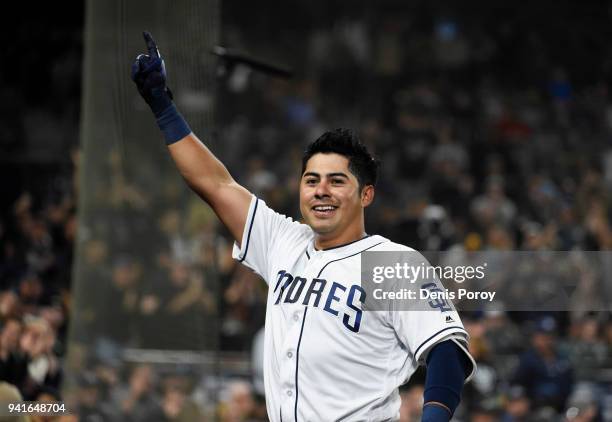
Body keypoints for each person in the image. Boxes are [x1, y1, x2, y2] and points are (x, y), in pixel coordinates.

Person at [131, 31, 475, 422]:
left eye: (337, 181)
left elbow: (447, 351)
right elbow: (214, 183)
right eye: (311, 180)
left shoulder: (392, 263)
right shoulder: (282, 240)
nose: (321, 191)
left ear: (366, 195)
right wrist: (162, 106)